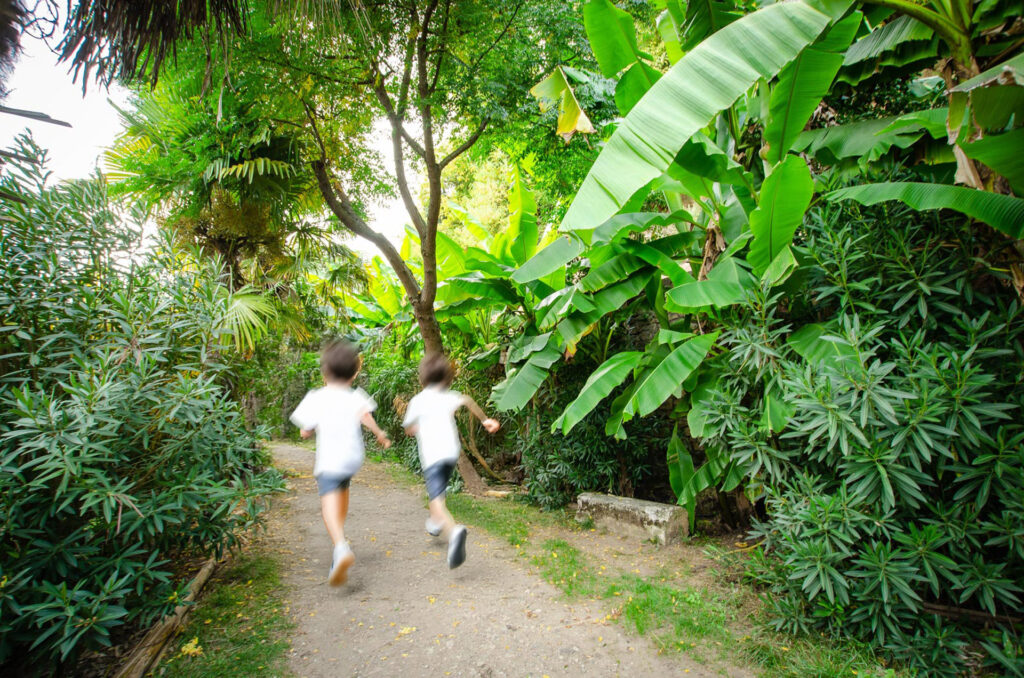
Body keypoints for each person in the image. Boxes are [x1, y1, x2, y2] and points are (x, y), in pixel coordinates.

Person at [290, 340, 390, 586]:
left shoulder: (317, 397)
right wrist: (379, 434)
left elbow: (305, 431)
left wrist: (307, 431)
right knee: (342, 492)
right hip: (353, 458)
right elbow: (366, 416)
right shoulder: (356, 396)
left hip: (331, 459)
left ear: (325, 373)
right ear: (354, 373)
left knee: (327, 504)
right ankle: (340, 538)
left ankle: (340, 546)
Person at [403, 353, 499, 569]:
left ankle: (453, 531)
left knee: (436, 499)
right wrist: (486, 421)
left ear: (423, 376)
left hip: (433, 456)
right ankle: (436, 523)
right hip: (450, 454)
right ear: (447, 377)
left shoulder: (418, 401)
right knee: (438, 495)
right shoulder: (451, 396)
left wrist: (415, 428)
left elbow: (408, 429)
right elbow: (468, 401)